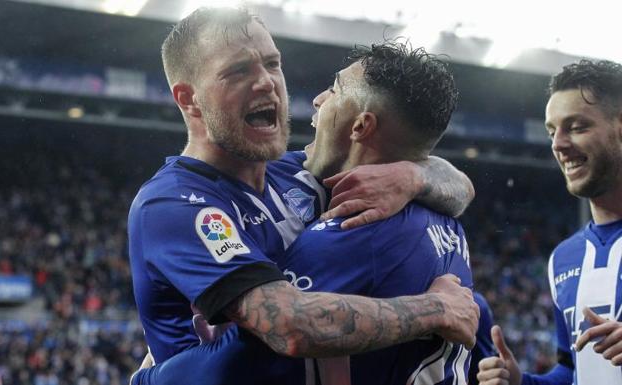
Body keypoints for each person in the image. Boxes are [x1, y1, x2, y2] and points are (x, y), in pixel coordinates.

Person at [128, 5, 478, 370]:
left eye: (272, 63)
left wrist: (412, 176)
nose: (266, 81)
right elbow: (288, 327)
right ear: (189, 98)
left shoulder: (302, 174)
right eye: (237, 71)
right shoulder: (171, 205)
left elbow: (461, 187)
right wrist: (436, 309)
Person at [477, 59, 622, 385]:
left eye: (577, 127)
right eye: (552, 131)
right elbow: (572, 371)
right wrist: (521, 381)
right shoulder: (563, 259)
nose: (558, 144)